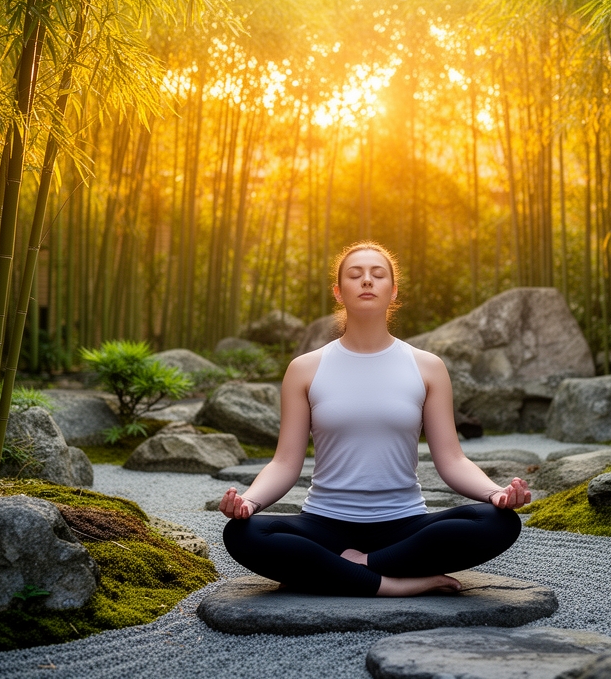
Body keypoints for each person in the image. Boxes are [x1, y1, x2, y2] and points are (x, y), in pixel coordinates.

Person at [220, 241, 531, 597]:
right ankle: (393, 584)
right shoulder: (305, 369)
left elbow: (452, 459)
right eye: (355, 275)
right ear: (338, 292)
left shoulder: (427, 366)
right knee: (242, 534)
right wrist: (250, 502)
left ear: (393, 290)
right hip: (324, 524)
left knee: (498, 523)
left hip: (404, 525)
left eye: (377, 274)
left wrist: (496, 494)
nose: (366, 280)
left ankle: (347, 569)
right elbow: (285, 463)